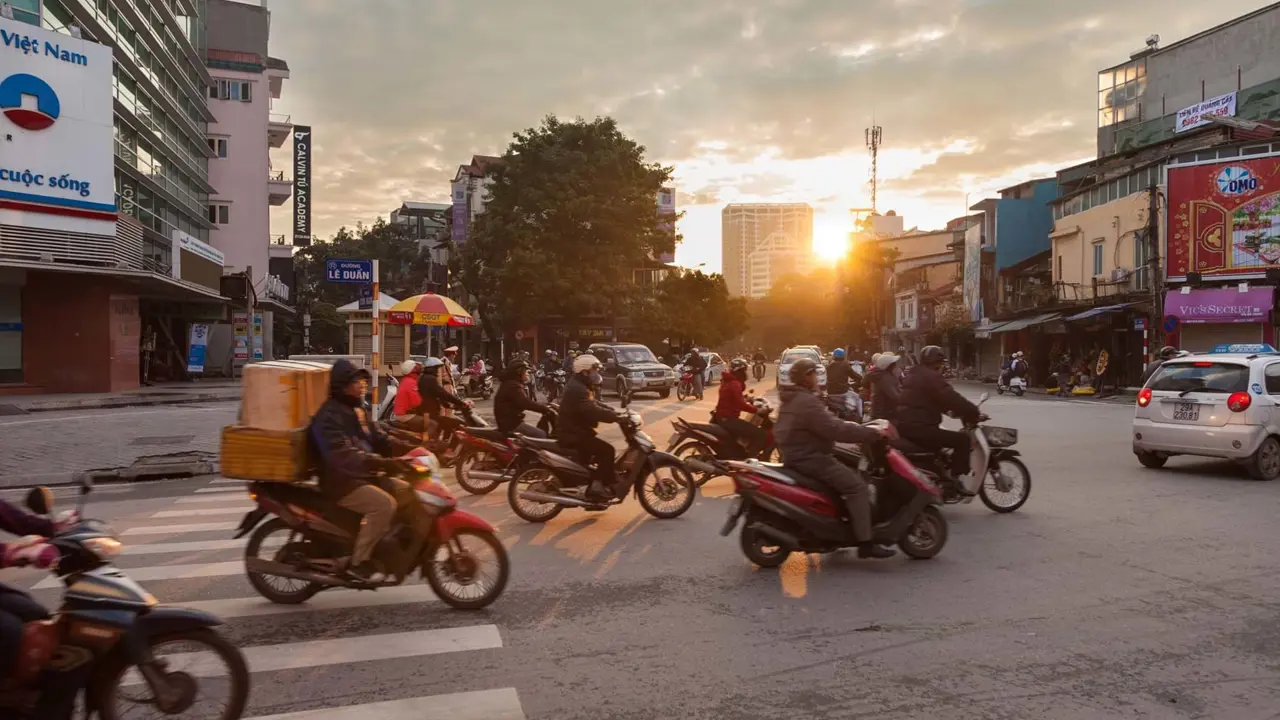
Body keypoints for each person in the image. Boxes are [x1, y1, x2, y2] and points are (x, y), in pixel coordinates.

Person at [775, 358, 895, 559]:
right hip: (811, 458)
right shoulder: (806, 402)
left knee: (846, 467)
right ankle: (865, 542)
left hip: (798, 454)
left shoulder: (794, 398)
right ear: (806, 378)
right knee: (857, 487)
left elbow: (828, 422)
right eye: (814, 374)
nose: (817, 378)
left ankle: (840, 528)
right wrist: (870, 433)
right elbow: (834, 429)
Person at [311, 360, 416, 583]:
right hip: (341, 481)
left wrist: (413, 447)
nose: (361, 385)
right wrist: (382, 463)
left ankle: (385, 545)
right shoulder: (329, 416)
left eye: (361, 380)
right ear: (342, 386)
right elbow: (344, 456)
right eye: (355, 381)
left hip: (361, 475)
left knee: (408, 489)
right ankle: (359, 563)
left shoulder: (356, 409)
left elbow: (379, 437)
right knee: (383, 505)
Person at [895, 345, 983, 491]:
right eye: (941, 364)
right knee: (962, 440)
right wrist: (973, 411)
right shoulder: (932, 377)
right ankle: (957, 480)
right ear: (937, 363)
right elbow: (952, 398)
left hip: (905, 426)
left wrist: (948, 411)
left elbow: (927, 399)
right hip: (921, 429)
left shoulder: (912, 374)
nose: (942, 367)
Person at [558, 353, 624, 501]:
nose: (597, 373)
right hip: (574, 435)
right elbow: (591, 410)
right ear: (585, 372)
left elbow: (594, 403)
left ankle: (600, 481)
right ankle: (596, 486)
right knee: (607, 451)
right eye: (594, 370)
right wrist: (613, 417)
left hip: (576, 431)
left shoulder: (581, 386)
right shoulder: (578, 389)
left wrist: (614, 411)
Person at [416, 357, 472, 454]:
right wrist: (460, 403)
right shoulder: (430, 379)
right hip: (431, 413)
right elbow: (443, 393)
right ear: (431, 368)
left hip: (428, 411)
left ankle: (442, 447)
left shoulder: (423, 378)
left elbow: (436, 395)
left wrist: (448, 405)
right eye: (437, 368)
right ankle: (449, 449)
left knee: (447, 425)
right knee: (458, 424)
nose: (438, 371)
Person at [712, 358, 769, 456]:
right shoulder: (734, 384)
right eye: (744, 370)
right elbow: (740, 405)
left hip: (723, 417)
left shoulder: (728, 381)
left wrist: (746, 398)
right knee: (760, 434)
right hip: (729, 419)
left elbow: (732, 398)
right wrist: (757, 410)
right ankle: (749, 458)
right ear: (740, 371)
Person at [495, 360, 554, 438]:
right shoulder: (513, 386)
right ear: (519, 372)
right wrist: (544, 409)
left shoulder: (510, 383)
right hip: (511, 425)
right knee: (541, 435)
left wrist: (544, 408)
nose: (527, 374)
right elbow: (525, 403)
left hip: (509, 423)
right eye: (526, 371)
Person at [825, 348, 862, 420]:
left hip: (830, 393)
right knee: (858, 398)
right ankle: (861, 418)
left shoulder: (829, 366)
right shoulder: (845, 365)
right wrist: (861, 379)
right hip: (842, 392)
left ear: (834, 356)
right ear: (843, 356)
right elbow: (855, 376)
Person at [865, 352, 902, 421]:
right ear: (889, 366)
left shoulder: (882, 376)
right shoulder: (885, 378)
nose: (895, 366)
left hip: (879, 414)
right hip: (885, 416)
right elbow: (895, 396)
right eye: (894, 364)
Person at [392, 359, 424, 424]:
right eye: (416, 368)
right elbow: (416, 402)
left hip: (399, 413)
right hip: (406, 415)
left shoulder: (405, 380)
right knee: (432, 424)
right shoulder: (411, 382)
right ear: (413, 370)